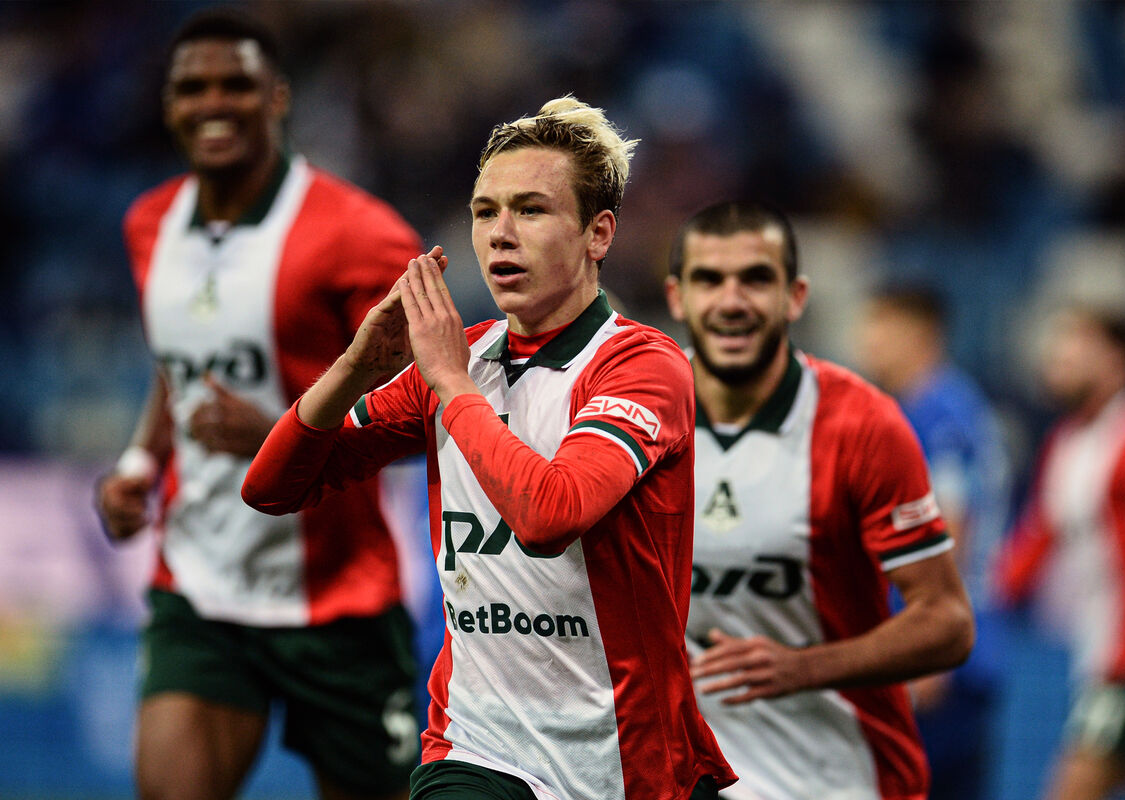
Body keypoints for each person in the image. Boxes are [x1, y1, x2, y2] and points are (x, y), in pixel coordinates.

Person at [242, 96, 736, 800]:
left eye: (531, 210)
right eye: (484, 211)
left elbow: (549, 516)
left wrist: (449, 382)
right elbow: (271, 488)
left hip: (625, 760)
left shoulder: (640, 366)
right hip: (477, 746)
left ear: (598, 234)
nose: (501, 234)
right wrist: (352, 367)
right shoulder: (461, 358)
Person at [93, 9, 425, 800]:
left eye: (236, 84)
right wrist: (140, 462)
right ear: (169, 105)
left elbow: (427, 410)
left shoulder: (361, 235)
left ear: (277, 96)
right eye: (193, 88)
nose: (214, 103)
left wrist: (289, 437)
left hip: (337, 600)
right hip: (199, 589)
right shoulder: (149, 224)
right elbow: (176, 368)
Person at [664, 201, 975, 800]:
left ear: (796, 296)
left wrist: (802, 666)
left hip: (836, 777)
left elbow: (949, 624)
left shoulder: (863, 425)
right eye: (709, 280)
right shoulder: (635, 415)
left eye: (756, 279)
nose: (732, 301)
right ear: (677, 297)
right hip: (688, 773)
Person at [995, 304, 1125, 800]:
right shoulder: (1065, 442)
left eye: (1077, 345)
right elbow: (1036, 540)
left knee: (1072, 786)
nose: (1059, 356)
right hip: (1094, 652)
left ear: (1117, 362)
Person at [856, 285, 1012, 800]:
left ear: (920, 333)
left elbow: (950, 526)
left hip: (942, 651)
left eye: (882, 326)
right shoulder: (938, 407)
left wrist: (928, 641)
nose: (869, 340)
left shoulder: (940, 412)